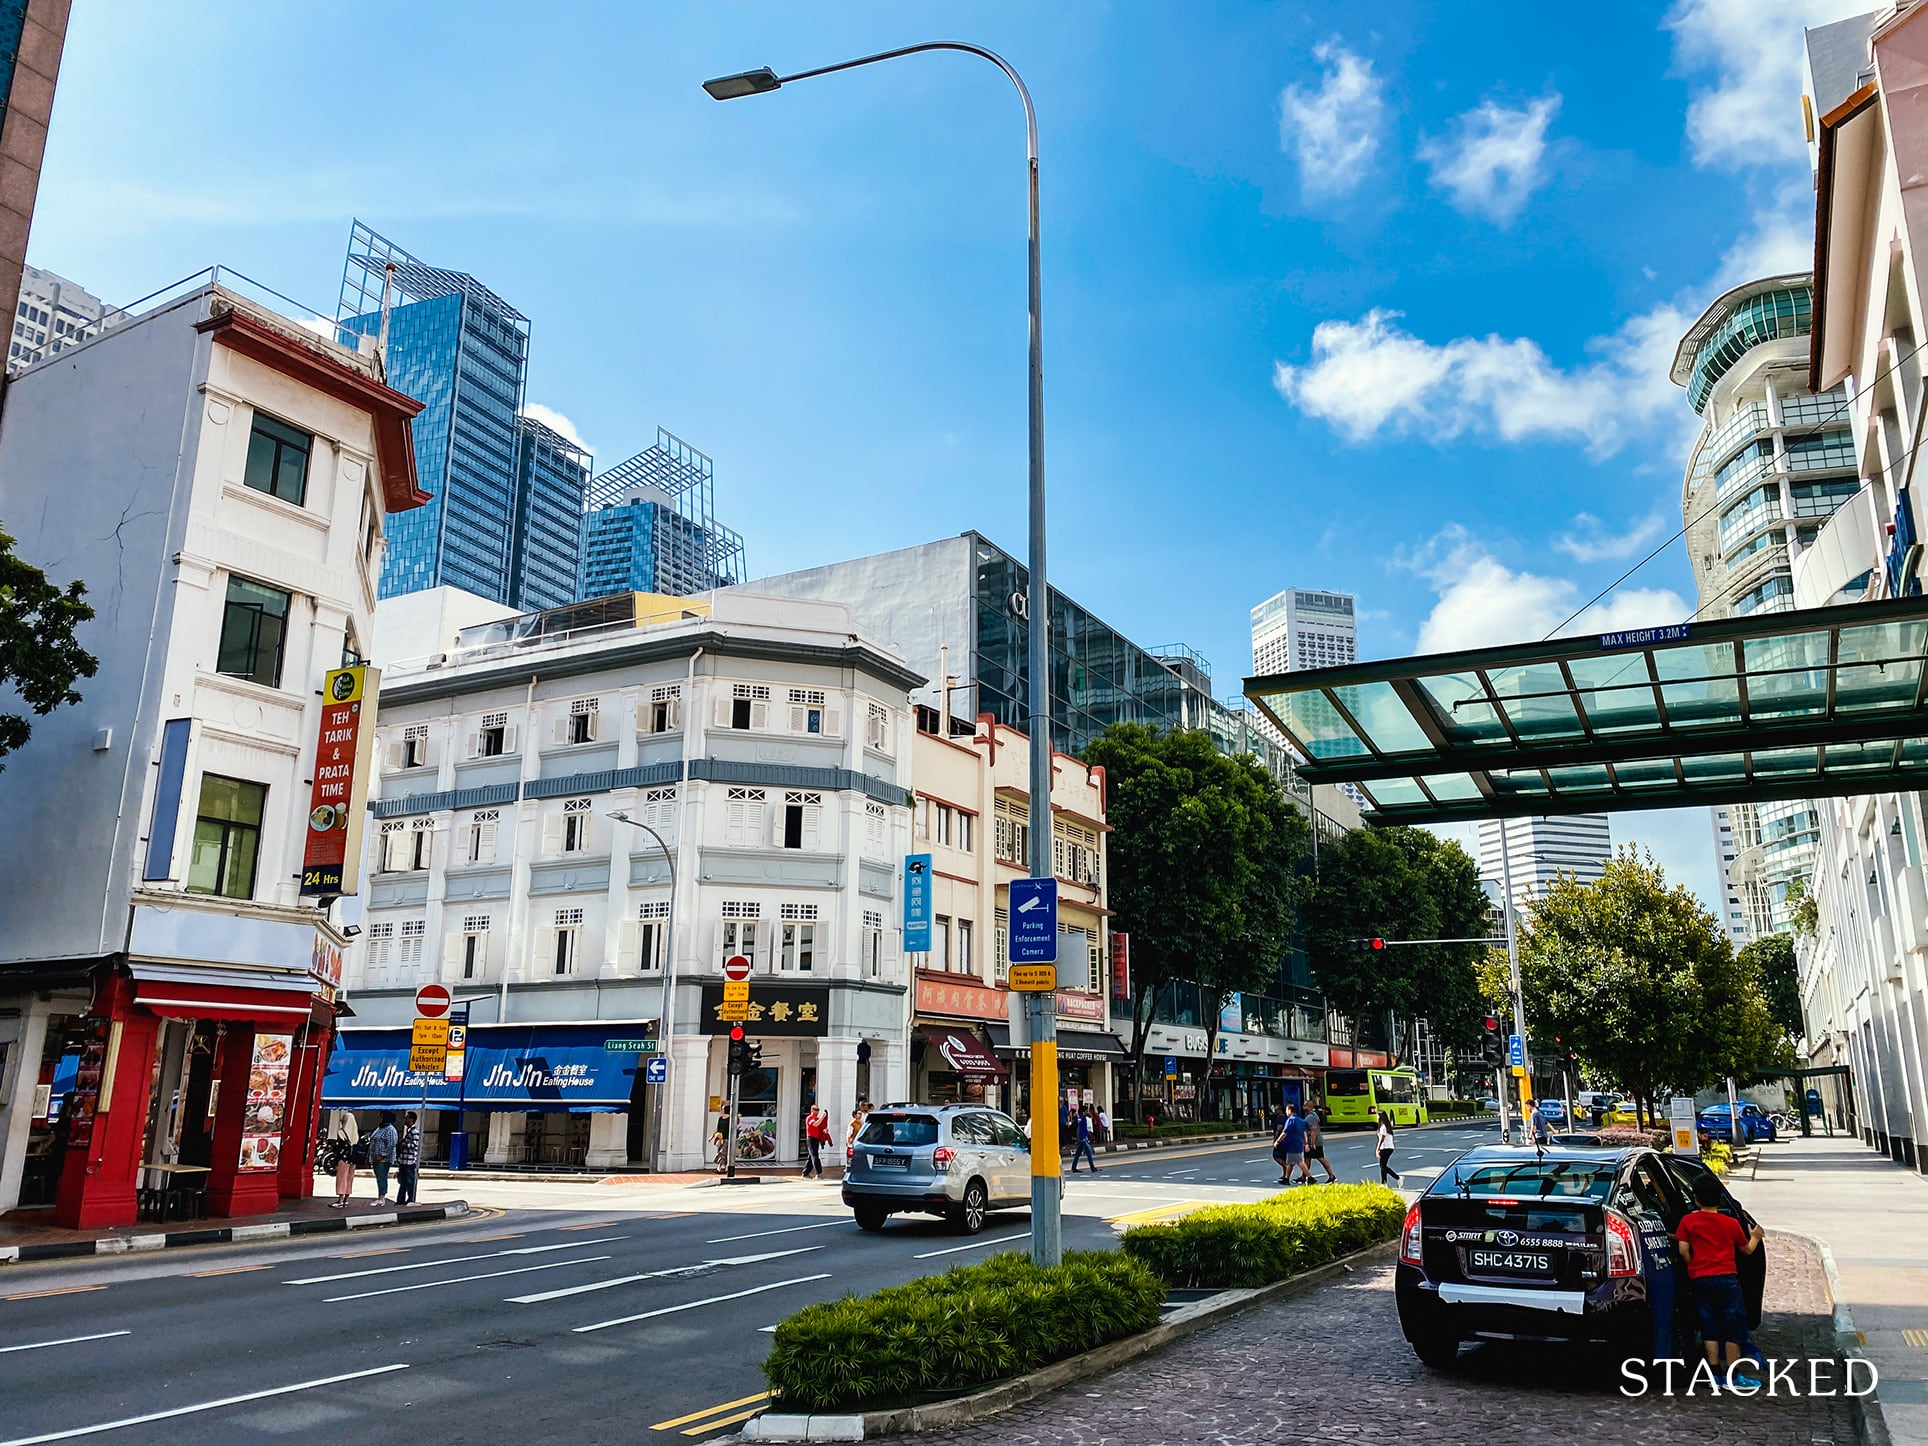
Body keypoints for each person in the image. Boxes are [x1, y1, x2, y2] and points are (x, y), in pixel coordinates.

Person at [1675, 1175, 1766, 1388]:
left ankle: (1714, 1373)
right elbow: (1747, 1250)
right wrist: (1756, 1236)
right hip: (1727, 1279)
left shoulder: (1688, 1221)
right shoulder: (1731, 1223)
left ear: (1696, 1199)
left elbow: (1683, 1249)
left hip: (1700, 1279)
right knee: (1733, 1327)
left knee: (1709, 1326)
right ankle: (1733, 1376)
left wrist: (1692, 1265)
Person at [327, 1109, 360, 1209]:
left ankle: (340, 1200)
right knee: (350, 1178)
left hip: (343, 1158)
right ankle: (346, 1199)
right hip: (353, 1159)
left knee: (342, 1177)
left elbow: (338, 1148)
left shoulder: (342, 1133)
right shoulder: (355, 1134)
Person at [367, 1111, 398, 1203]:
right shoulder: (380, 1128)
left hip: (383, 1159)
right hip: (375, 1158)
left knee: (382, 1177)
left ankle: (382, 1197)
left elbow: (391, 1144)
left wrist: (382, 1155)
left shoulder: (390, 1130)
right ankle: (380, 1195)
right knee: (379, 1177)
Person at [1303, 1103, 1338, 1183]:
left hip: (1314, 1142)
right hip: (1312, 1141)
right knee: (1307, 1159)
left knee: (1320, 1158)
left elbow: (1314, 1130)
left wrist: (1312, 1142)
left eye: (1305, 1106)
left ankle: (1331, 1176)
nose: (1303, 1107)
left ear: (1309, 1106)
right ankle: (1304, 1176)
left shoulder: (1310, 1117)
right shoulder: (1312, 1115)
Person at [1273, 1103, 1306, 1185]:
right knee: (1290, 1162)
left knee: (1298, 1162)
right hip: (1296, 1143)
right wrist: (1306, 1143)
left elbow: (1283, 1132)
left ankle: (1309, 1177)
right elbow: (1304, 1132)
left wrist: (1277, 1141)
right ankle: (1286, 1178)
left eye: (1287, 1110)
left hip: (1291, 1144)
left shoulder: (1290, 1120)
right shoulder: (1299, 1120)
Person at [395, 1111, 421, 1207]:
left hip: (409, 1161)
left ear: (411, 1119)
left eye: (407, 1118)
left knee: (410, 1181)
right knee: (403, 1181)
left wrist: (405, 1144)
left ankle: (410, 1199)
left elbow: (415, 1145)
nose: (405, 1120)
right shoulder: (409, 1131)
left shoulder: (414, 1132)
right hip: (404, 1160)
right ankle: (400, 1200)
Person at [803, 1105, 832, 1179]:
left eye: (818, 1110)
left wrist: (825, 1130)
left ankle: (805, 1172)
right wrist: (822, 1117)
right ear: (811, 1110)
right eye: (815, 1109)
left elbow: (821, 1127)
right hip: (811, 1138)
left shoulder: (817, 1119)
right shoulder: (809, 1118)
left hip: (816, 1138)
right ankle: (819, 1173)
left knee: (811, 1156)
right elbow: (815, 1124)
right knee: (815, 1155)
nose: (817, 1111)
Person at [1069, 1104, 1099, 1172]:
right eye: (1086, 1111)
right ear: (1084, 1111)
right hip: (1082, 1138)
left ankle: (1074, 1167)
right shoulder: (1081, 1118)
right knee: (1088, 1153)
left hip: (1083, 1137)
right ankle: (1092, 1167)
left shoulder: (1081, 1117)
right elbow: (1079, 1128)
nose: (1087, 1112)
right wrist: (1079, 1138)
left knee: (1078, 1154)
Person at [1376, 1111, 1402, 1185]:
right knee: (1383, 1166)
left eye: (1378, 1116)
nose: (1377, 1117)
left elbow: (1382, 1139)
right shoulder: (1386, 1125)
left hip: (1385, 1148)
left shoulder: (1383, 1127)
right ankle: (1384, 1183)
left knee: (1383, 1166)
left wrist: (1377, 1148)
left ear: (1381, 1117)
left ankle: (1398, 1178)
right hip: (1388, 1148)